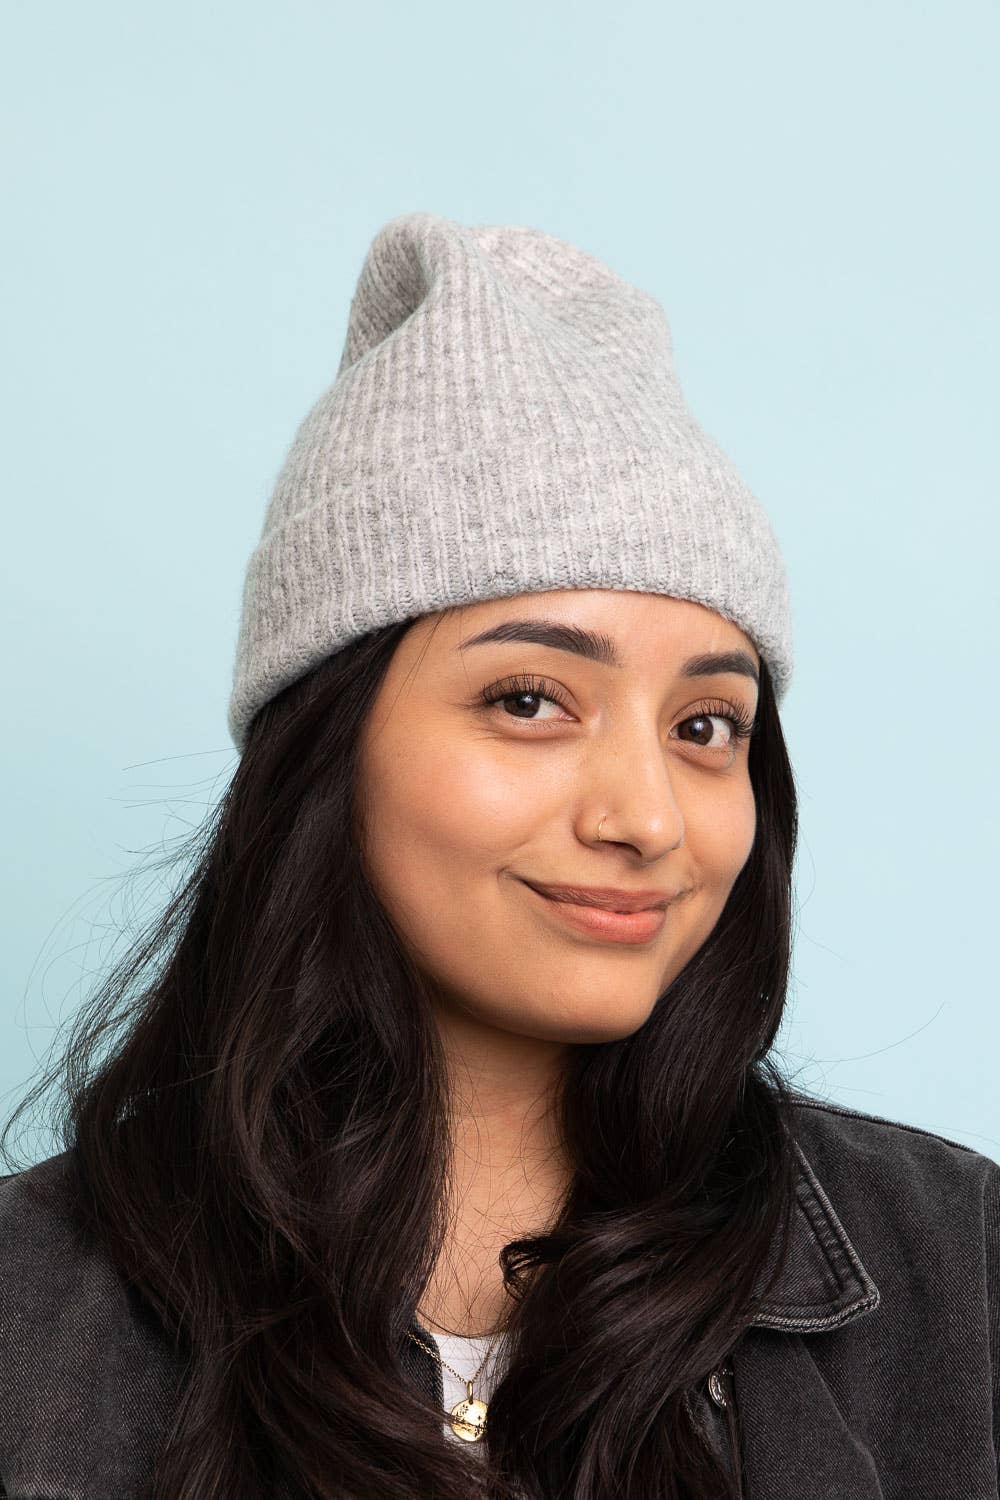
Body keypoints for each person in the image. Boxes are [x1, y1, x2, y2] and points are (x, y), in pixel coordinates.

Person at [0, 210, 996, 1500]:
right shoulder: (31, 1311)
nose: (646, 818)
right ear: (327, 744)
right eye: (531, 700)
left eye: (706, 726)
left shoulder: (955, 1270)